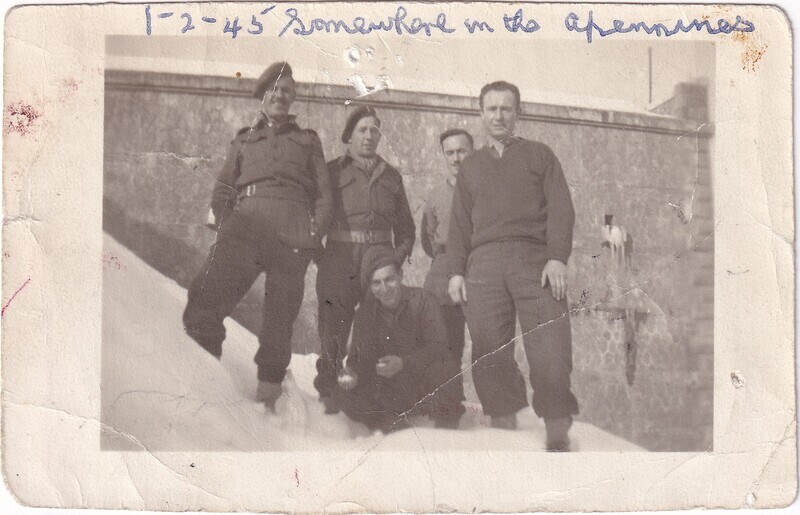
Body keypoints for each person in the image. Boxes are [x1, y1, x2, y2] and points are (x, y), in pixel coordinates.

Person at [182, 62, 333, 411]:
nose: (281, 96)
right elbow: (222, 189)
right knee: (207, 293)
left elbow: (325, 194)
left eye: (288, 92)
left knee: (280, 317)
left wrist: (314, 232)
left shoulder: (308, 141)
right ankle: (206, 382)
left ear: (293, 98)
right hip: (245, 229)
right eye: (276, 90)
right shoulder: (244, 138)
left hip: (293, 233)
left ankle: (268, 396)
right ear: (264, 95)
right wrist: (227, 227)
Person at [445, 81, 579, 451]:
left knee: (550, 347)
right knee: (488, 350)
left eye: (506, 109)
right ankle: (503, 429)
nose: (498, 116)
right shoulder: (471, 167)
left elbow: (561, 209)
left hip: (534, 260)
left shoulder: (540, 156)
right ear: (481, 113)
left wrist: (557, 257)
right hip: (483, 264)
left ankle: (557, 431)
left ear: (518, 113)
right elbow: (458, 224)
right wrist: (456, 270)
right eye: (491, 109)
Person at [314, 106, 415, 412]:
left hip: (379, 262)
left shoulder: (392, 176)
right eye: (362, 129)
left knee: (378, 329)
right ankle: (330, 390)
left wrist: (394, 261)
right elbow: (314, 217)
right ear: (349, 135)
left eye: (375, 130)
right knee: (333, 328)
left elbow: (407, 229)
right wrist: (323, 258)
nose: (370, 136)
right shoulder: (332, 172)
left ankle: (373, 393)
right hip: (340, 260)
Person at [336, 246, 465, 432]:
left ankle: (444, 433)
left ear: (401, 275)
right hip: (389, 388)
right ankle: (388, 421)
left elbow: (440, 347)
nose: (384, 289)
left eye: (389, 280)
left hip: (422, 386)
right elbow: (358, 361)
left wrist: (404, 363)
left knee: (447, 369)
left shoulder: (423, 301)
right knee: (344, 392)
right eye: (376, 283)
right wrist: (352, 375)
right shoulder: (364, 314)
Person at [421, 128, 474, 363]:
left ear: (472, 153)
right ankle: (451, 396)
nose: (456, 158)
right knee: (445, 341)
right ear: (443, 155)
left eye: (462, 151)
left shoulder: (484, 191)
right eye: (449, 152)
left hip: (477, 267)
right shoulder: (435, 195)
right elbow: (428, 237)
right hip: (443, 272)